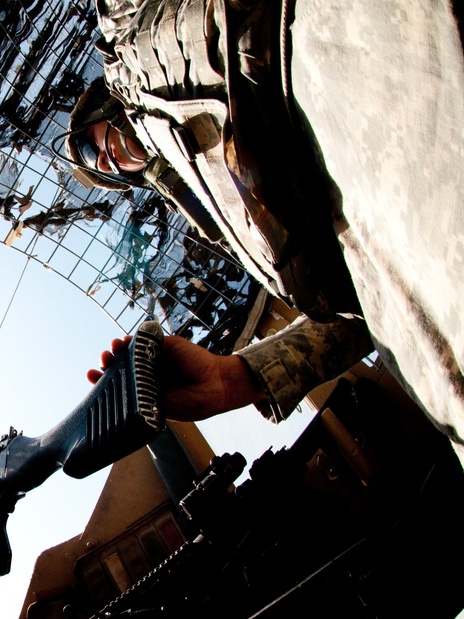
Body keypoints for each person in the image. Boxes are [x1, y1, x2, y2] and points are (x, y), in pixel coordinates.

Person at [71, 0, 464, 454]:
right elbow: (360, 305)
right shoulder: (216, 209)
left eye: (89, 146)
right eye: (100, 168)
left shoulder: (136, 40)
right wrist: (233, 379)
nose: (105, 162)